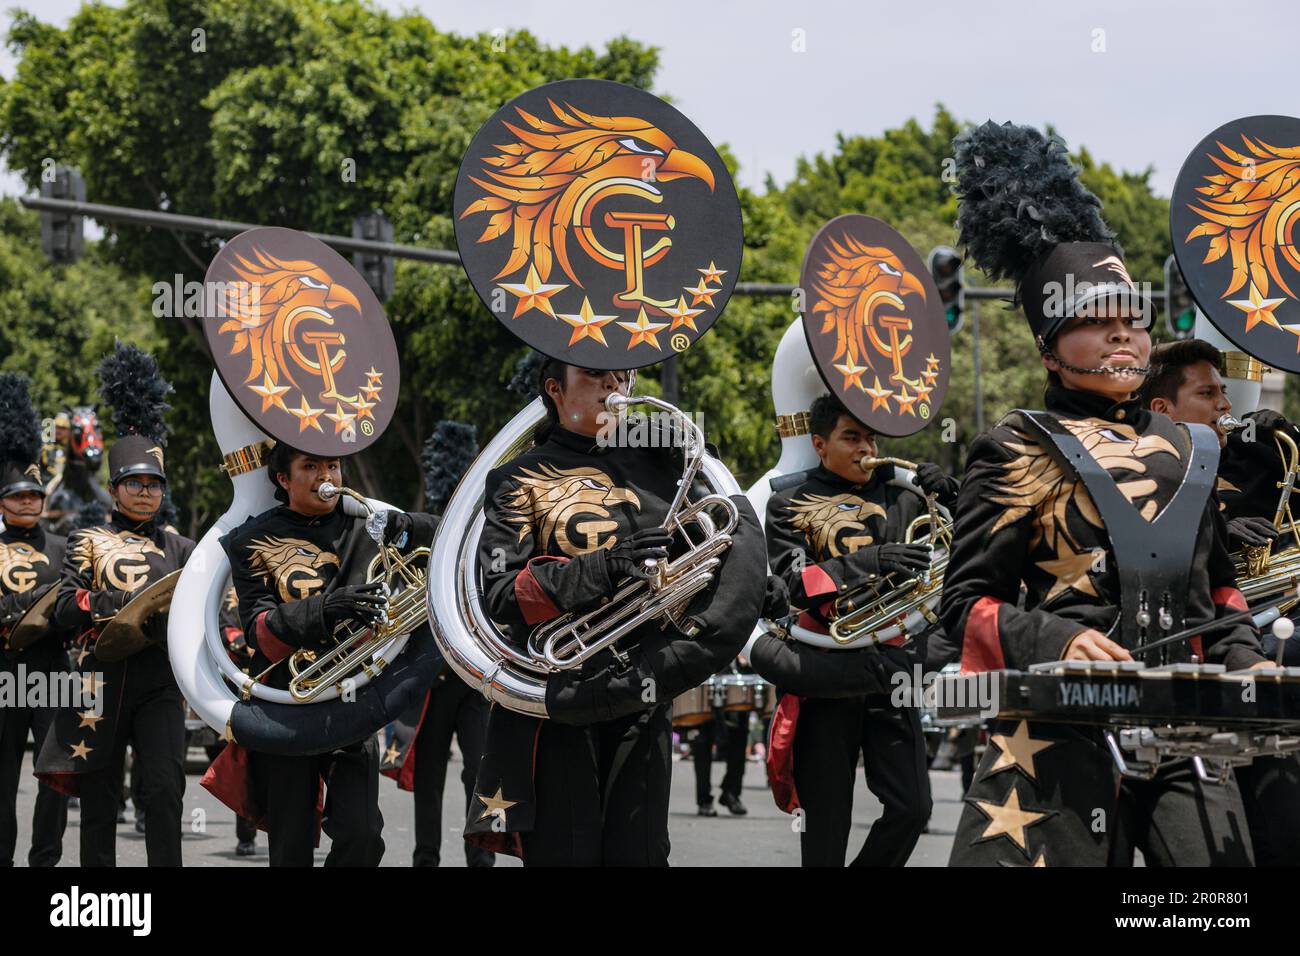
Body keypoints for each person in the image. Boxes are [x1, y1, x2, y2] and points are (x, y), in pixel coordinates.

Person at [932, 120, 1271, 866]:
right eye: (1095, 323)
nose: (1124, 338)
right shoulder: (1013, 447)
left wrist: (1248, 661)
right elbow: (964, 606)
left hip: (1186, 724)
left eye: (1134, 323)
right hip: (1055, 729)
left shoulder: (1192, 446)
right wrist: (1056, 638)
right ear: (1050, 348)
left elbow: (1218, 594)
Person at [465, 359, 765, 865]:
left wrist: (761, 582)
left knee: (642, 853)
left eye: (621, 375)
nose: (613, 384)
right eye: (594, 374)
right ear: (555, 389)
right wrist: (604, 568)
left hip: (641, 685)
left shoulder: (662, 465)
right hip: (559, 695)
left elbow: (712, 541)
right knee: (568, 853)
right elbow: (502, 594)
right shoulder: (516, 477)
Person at [219, 440, 439, 867]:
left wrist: (407, 524)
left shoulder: (369, 525)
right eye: (311, 466)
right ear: (283, 479)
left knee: (364, 835)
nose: (327, 477)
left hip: (354, 702)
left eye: (333, 466)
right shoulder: (250, 539)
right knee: (291, 847)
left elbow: (448, 541)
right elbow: (259, 634)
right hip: (286, 708)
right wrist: (323, 611)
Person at [754, 393, 940, 866]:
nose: (866, 448)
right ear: (820, 443)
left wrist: (952, 497)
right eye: (851, 437)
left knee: (913, 807)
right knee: (825, 827)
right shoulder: (786, 501)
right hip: (824, 670)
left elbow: (946, 562)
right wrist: (866, 562)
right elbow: (795, 586)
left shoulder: (902, 495)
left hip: (890, 665)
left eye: (870, 436)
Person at [1139, 339, 1300, 867]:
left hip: (1224, 693)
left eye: (1224, 392)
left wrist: (1250, 657)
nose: (1226, 407)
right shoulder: (1127, 471)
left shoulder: (1243, 462)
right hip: (1130, 702)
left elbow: (1224, 602)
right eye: (1209, 394)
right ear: (1161, 409)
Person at [36, 344, 194, 867]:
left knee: (165, 795)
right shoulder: (85, 540)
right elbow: (61, 608)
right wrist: (113, 604)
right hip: (98, 682)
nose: (145, 493)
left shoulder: (181, 548)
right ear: (114, 489)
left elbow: (207, 615)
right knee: (100, 802)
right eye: (135, 484)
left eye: (153, 485)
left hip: (160, 684)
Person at [0, 374, 70, 867]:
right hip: (3, 672)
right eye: (17, 494)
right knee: (1, 781)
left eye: (34, 494)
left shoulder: (68, 548)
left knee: (55, 778)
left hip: (53, 672)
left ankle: (45, 860)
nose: (28, 501)